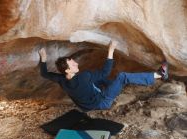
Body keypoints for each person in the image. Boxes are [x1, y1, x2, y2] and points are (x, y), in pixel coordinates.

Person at [39, 41, 168, 111]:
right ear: (67, 71)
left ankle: (113, 88)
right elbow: (105, 71)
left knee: (101, 79)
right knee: (122, 76)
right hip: (102, 102)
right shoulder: (83, 77)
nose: (76, 63)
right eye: (72, 64)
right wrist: (111, 50)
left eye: (73, 61)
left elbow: (44, 73)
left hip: (87, 105)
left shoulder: (61, 79)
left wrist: (43, 58)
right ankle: (159, 75)